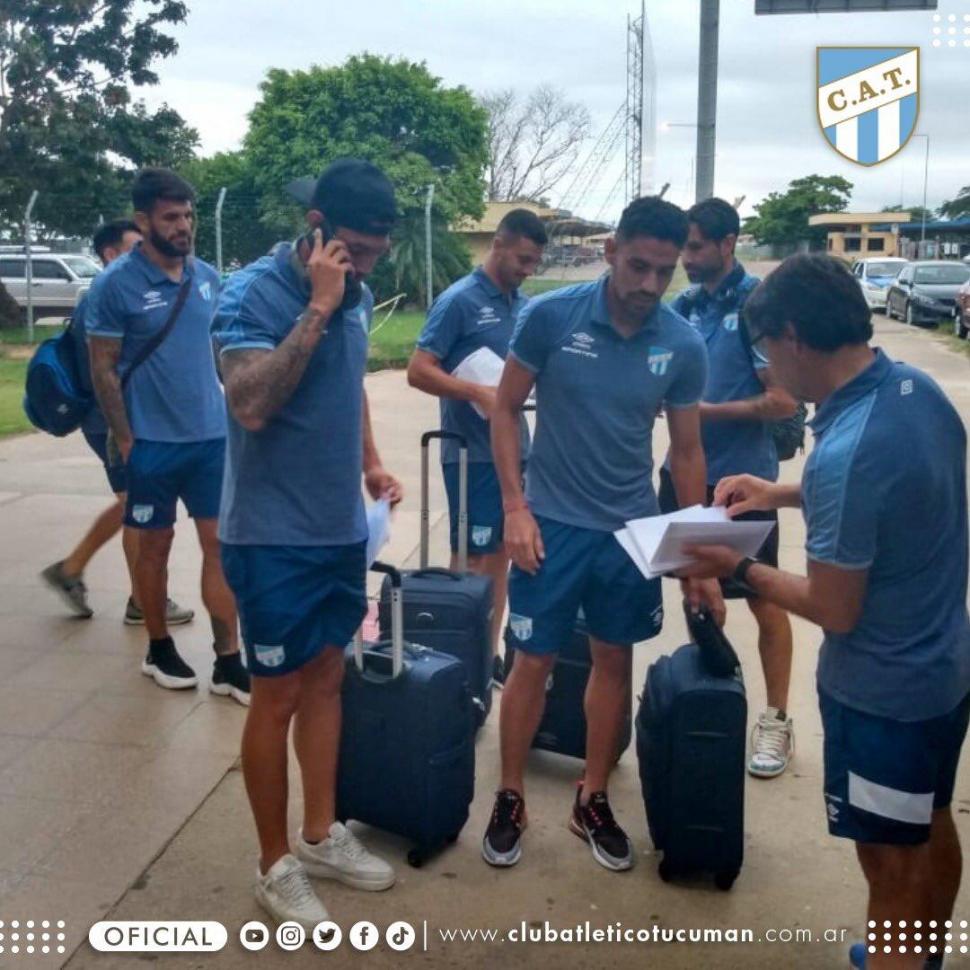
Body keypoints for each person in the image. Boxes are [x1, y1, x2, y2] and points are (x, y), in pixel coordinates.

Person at [682, 254, 970, 970]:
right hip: (942, 672)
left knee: (890, 874)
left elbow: (834, 609)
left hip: (882, 697)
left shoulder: (848, 448)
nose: (767, 368)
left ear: (793, 337)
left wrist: (737, 566)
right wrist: (775, 493)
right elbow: (893, 499)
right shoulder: (913, 388)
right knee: (930, 824)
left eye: (766, 351)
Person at [482, 196, 723, 873]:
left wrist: (697, 550)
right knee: (533, 660)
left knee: (615, 660)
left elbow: (687, 452)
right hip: (551, 523)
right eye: (638, 266)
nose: (649, 285)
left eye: (664, 272)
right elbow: (503, 409)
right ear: (611, 249)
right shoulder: (550, 317)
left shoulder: (681, 342)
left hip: (629, 530)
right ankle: (509, 794)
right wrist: (515, 508)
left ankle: (591, 796)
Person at [213, 158, 404, 929]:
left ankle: (321, 835)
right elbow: (250, 402)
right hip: (268, 538)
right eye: (353, 251)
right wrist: (318, 308)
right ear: (316, 230)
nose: (363, 267)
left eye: (376, 254)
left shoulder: (354, 295)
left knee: (329, 679)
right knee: (278, 694)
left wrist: (370, 461)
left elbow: (350, 380)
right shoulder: (251, 295)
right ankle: (274, 866)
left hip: (336, 531)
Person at [86, 169, 248, 704]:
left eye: (189, 216)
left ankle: (228, 660)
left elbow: (221, 350)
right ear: (144, 220)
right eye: (171, 217)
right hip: (150, 442)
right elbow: (103, 369)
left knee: (219, 546)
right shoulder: (115, 285)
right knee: (155, 547)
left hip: (210, 437)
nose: (184, 227)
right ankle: (158, 647)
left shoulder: (206, 276)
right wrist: (125, 438)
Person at [658, 198, 798, 779]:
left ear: (727, 243)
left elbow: (784, 399)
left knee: (766, 600)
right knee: (698, 595)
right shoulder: (684, 307)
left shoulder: (758, 307)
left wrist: (704, 410)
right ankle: (713, 707)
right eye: (682, 248)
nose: (685, 258)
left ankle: (776, 718)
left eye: (694, 247)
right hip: (682, 478)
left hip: (744, 486)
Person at [407, 208, 547, 667]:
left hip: (512, 450)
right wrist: (476, 392)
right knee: (472, 562)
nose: (527, 270)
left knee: (502, 556)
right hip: (470, 454)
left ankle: (486, 658)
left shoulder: (522, 305)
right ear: (499, 244)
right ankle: (458, 661)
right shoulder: (459, 300)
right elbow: (419, 369)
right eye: (522, 259)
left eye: (534, 264)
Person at [41, 219, 194, 628]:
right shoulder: (105, 295)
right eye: (136, 246)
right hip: (110, 422)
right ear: (111, 254)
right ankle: (142, 600)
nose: (147, 253)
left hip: (126, 419)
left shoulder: (122, 290)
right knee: (137, 508)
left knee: (133, 504)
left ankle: (75, 570)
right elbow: (109, 368)